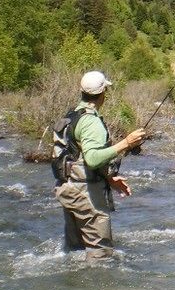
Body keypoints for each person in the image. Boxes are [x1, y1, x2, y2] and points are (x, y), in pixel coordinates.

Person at [53, 70, 146, 259]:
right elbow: (93, 159)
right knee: (100, 255)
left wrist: (110, 178)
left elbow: (76, 158)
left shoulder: (71, 116)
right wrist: (127, 143)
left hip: (68, 190)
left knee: (75, 253)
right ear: (103, 93)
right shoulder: (91, 122)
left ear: (82, 92)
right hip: (86, 195)